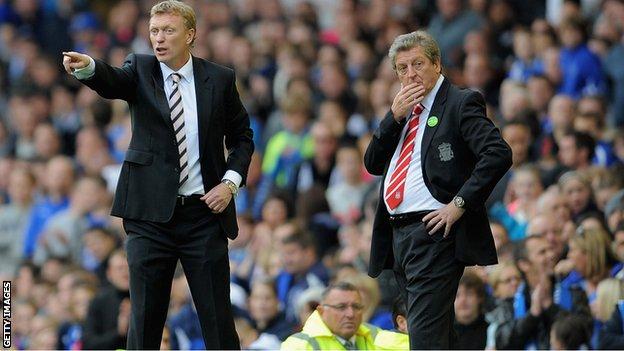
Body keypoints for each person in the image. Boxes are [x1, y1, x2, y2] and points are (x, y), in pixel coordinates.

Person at [61, 1, 254, 349]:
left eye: (168, 30)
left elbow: (243, 137)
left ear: (190, 34)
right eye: (154, 31)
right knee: (145, 321)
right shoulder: (141, 68)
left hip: (203, 216)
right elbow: (113, 81)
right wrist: (89, 67)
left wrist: (230, 183)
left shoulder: (220, 78)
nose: (159, 39)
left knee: (218, 321)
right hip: (150, 218)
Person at [363, 30, 512, 349]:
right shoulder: (403, 111)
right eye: (402, 68)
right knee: (438, 334)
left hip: (434, 231)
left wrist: (459, 203)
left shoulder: (459, 102)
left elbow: (497, 153)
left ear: (437, 64)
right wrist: (393, 117)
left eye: (417, 63)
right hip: (399, 235)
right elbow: (373, 163)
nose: (410, 74)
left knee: (424, 337)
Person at [281, 282, 409, 350]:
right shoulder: (299, 345)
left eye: (356, 307)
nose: (350, 314)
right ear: (321, 311)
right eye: (341, 307)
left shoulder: (374, 335)